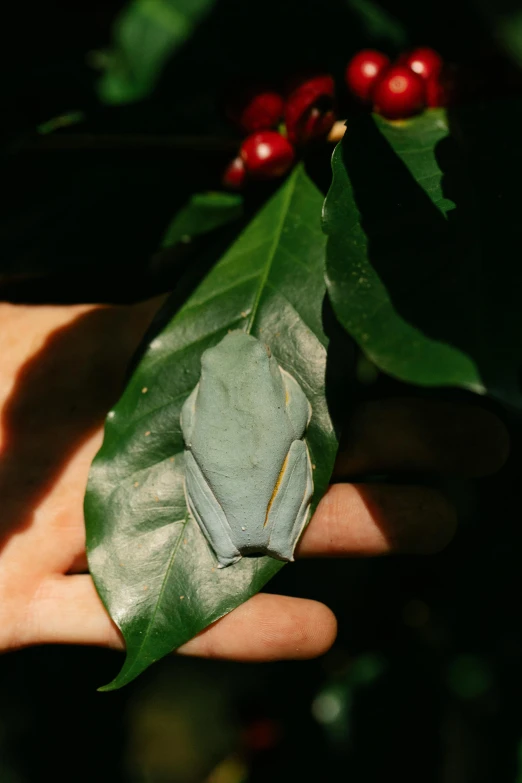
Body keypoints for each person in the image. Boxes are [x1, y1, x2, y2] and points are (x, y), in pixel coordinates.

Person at [0, 297, 509, 660]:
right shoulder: (274, 387)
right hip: (266, 494)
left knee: (199, 464)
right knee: (288, 453)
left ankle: (227, 543)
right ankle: (277, 538)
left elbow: (189, 429)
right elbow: (297, 421)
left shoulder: (202, 399)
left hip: (221, 495)